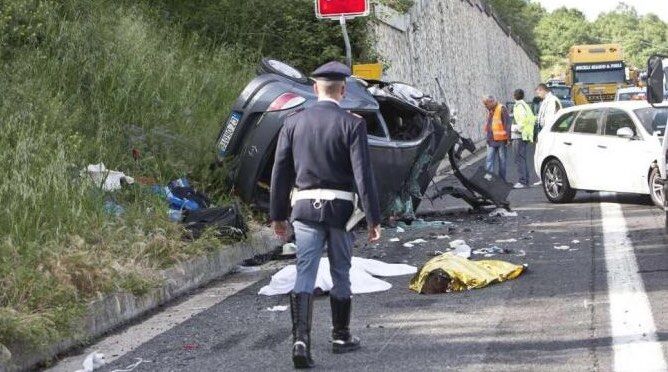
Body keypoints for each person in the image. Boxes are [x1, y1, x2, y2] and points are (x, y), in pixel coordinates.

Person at [270, 61, 382, 369]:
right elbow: (363, 174)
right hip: (341, 212)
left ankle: (300, 340)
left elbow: (280, 171)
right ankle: (340, 336)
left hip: (304, 209)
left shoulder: (293, 122)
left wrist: (277, 214)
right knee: (340, 273)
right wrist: (374, 218)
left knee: (304, 272)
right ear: (343, 90)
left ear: (314, 88)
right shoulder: (352, 123)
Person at [510, 89, 536, 189]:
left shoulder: (519, 106)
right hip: (524, 135)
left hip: (519, 135)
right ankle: (526, 180)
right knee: (522, 159)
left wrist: (513, 128)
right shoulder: (525, 105)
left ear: (514, 96)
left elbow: (522, 121)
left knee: (519, 159)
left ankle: (523, 181)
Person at [483, 95, 511, 182]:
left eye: (486, 104)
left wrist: (508, 138)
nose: (485, 106)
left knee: (502, 161)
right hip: (491, 140)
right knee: (489, 159)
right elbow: (490, 125)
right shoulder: (491, 110)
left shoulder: (502, 109)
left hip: (501, 140)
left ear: (491, 102)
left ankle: (501, 180)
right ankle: (488, 179)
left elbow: (507, 124)